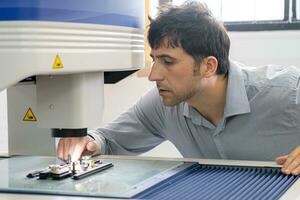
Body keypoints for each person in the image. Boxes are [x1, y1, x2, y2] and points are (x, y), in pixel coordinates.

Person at [57, 1, 300, 175]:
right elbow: (107, 140)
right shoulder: (163, 104)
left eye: (168, 61)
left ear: (208, 66)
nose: (153, 75)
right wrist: (87, 143)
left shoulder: (285, 92)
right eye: (154, 60)